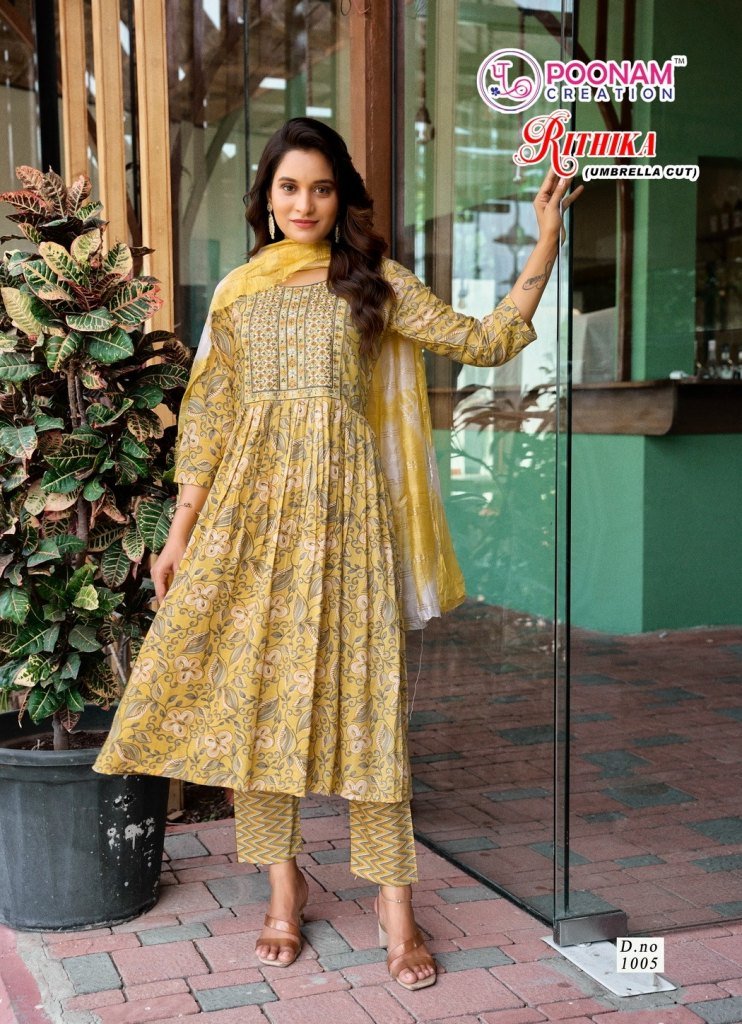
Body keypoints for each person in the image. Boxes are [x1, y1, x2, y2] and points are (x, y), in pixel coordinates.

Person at [94, 117, 581, 991]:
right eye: (289, 187)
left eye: (321, 188)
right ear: (266, 197)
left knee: (370, 704)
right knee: (260, 701)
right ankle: (284, 892)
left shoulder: (374, 281)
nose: (305, 203)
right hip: (249, 520)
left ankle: (397, 907)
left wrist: (544, 239)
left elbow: (485, 342)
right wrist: (179, 531)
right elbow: (207, 419)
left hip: (350, 520)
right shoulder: (239, 291)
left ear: (341, 196)